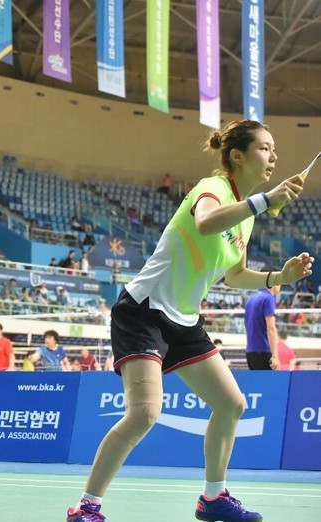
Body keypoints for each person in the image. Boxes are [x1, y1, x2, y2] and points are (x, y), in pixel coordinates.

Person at [66, 120, 311, 522]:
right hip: (144, 310)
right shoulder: (210, 189)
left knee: (231, 404)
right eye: (265, 148)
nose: (274, 156)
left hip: (184, 319)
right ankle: (86, 509)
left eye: (274, 149)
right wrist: (266, 200)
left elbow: (233, 275)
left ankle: (213, 498)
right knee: (143, 413)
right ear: (238, 155)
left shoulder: (246, 218)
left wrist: (278, 278)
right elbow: (205, 223)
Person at [243, 278, 281, 370]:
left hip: (250, 353)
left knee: (256, 384)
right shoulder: (268, 298)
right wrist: (275, 356)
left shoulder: (250, 299)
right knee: (270, 384)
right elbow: (271, 328)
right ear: (274, 282)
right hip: (264, 352)